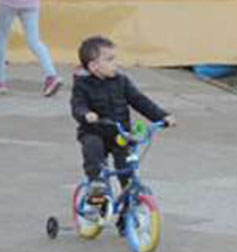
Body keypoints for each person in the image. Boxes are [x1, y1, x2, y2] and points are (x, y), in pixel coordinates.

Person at [71, 36, 177, 202]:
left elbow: (140, 101)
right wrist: (86, 114)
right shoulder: (82, 85)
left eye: (115, 59)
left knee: (127, 169)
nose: (116, 63)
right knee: (93, 150)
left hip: (120, 134)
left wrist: (162, 116)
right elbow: (77, 105)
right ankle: (96, 184)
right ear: (93, 66)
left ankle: (127, 212)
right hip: (94, 131)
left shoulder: (121, 81)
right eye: (110, 60)